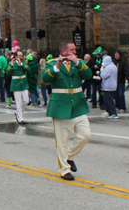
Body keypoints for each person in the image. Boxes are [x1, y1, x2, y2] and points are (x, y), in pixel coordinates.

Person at [41, 41, 92, 181]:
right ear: (64, 51)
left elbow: (88, 75)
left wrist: (77, 63)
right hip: (61, 106)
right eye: (72, 50)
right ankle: (64, 169)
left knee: (85, 135)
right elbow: (44, 78)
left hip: (78, 104)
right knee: (62, 141)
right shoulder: (52, 63)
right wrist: (57, 66)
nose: (75, 52)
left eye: (75, 50)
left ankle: (69, 156)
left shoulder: (78, 62)